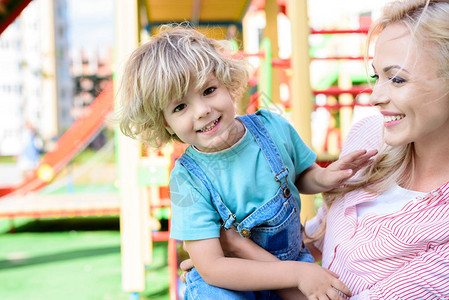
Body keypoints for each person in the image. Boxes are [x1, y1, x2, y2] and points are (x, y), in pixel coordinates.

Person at [192, 0, 449, 299]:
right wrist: (225, 261)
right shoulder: (369, 138)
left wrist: (240, 247)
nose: (375, 97)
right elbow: (318, 234)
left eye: (398, 79)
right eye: (376, 76)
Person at [117, 25, 377, 299]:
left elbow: (301, 175)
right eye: (180, 107)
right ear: (165, 124)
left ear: (228, 85)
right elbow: (212, 267)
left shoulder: (272, 128)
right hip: (231, 282)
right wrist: (297, 274)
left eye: (208, 90)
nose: (203, 110)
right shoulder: (187, 179)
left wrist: (324, 177)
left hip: (290, 263)